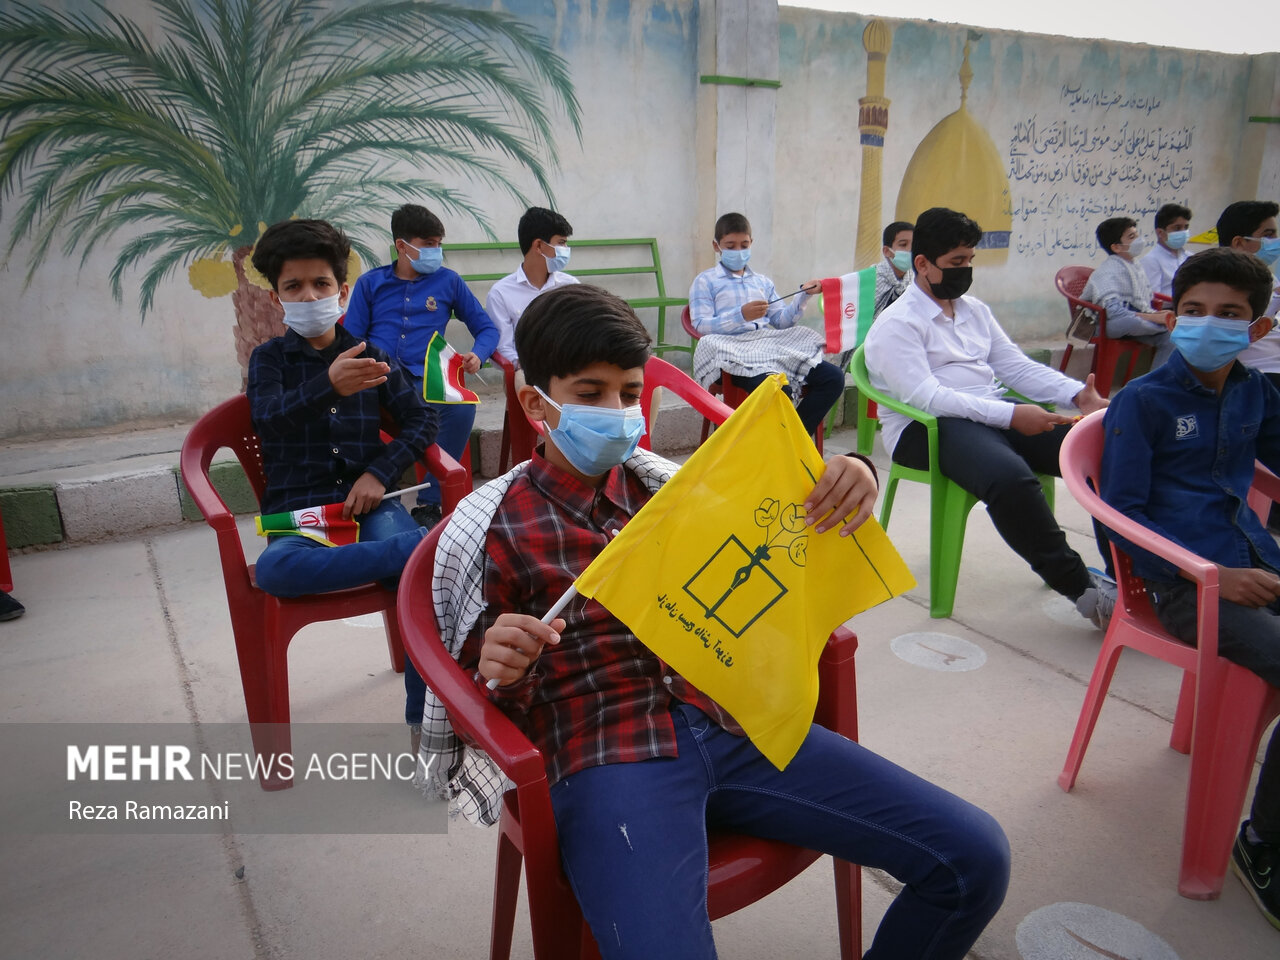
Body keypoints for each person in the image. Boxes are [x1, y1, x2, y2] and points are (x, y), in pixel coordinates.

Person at [446, 282, 1009, 960]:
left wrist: (852, 470)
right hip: (608, 754)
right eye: (590, 395)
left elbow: (783, 518)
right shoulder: (495, 526)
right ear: (536, 403)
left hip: (733, 718)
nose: (618, 413)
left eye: (629, 394)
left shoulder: (677, 491)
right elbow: (475, 702)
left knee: (974, 860)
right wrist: (500, 666)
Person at [1098, 247, 1280, 931]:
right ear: (1173, 316)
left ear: (1257, 330)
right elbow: (1122, 520)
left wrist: (1242, 569)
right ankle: (1260, 843)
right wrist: (1210, 578)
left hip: (1254, 561)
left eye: (1230, 316)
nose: (1209, 325)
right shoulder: (1145, 401)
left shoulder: (1255, 392)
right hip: (1184, 586)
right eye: (1195, 311)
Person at [863, 207, 1113, 625]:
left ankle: (1136, 571)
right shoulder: (897, 325)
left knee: (1104, 451)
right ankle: (1083, 590)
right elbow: (928, 397)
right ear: (922, 264)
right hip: (926, 430)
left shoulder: (973, 310)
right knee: (1010, 479)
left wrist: (1077, 395)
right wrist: (1010, 416)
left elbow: (1014, 367)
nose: (966, 271)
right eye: (956, 263)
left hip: (987, 416)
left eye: (969, 261)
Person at [246, 218, 436, 738]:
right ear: (277, 297)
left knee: (422, 589)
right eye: (294, 286)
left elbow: (423, 419)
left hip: (369, 505)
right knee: (275, 573)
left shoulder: (372, 356)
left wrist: (379, 472)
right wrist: (328, 385)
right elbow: (268, 419)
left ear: (342, 290)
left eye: (321, 284)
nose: (309, 295)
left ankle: (426, 729)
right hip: (300, 511)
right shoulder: (269, 361)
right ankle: (421, 546)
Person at [344, 203, 498, 527]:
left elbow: (487, 328)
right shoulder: (370, 284)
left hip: (427, 379)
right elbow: (351, 340)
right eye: (428, 244)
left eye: (439, 244)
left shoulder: (449, 282)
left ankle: (430, 504)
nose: (436, 252)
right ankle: (386, 501)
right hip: (378, 378)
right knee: (360, 414)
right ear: (402, 246)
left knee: (461, 409)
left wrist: (478, 355)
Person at [688, 212, 844, 436]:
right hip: (730, 352)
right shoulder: (705, 281)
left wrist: (803, 296)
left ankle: (791, 439)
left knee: (833, 378)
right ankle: (779, 445)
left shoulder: (762, 282)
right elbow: (701, 325)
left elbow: (782, 322)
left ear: (752, 243)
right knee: (779, 388)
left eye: (744, 245)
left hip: (766, 346)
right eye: (730, 246)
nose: (738, 251)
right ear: (716, 246)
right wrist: (740, 315)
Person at [486, 206, 579, 367]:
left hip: (569, 371)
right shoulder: (501, 293)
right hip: (525, 373)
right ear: (538, 246)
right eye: (561, 243)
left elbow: (583, 335)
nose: (566, 250)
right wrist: (529, 369)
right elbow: (503, 349)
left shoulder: (572, 287)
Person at [1081, 216, 1175, 368]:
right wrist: (1154, 318)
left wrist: (1155, 317)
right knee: (1133, 321)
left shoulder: (1134, 266)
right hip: (1101, 325)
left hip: (1135, 324)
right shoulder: (1108, 271)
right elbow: (1115, 313)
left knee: (1171, 337)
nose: (1139, 240)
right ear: (1116, 247)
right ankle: (1162, 324)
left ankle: (1154, 386)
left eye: (1137, 235)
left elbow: (1141, 305)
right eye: (1132, 237)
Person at [1221, 201, 1280, 379]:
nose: (1276, 241)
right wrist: (1276, 301)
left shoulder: (1266, 275)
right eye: (1268, 235)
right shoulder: (1218, 281)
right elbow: (1227, 335)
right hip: (1260, 374)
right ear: (1239, 242)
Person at [1140, 203, 1193, 299]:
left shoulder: (1190, 257)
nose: (1183, 232)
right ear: (1160, 232)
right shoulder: (1151, 260)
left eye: (1186, 227)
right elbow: (1153, 298)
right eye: (1177, 228)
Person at [876, 219, 915, 317]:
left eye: (914, 245)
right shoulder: (872, 279)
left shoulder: (916, 279)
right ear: (887, 251)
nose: (911, 250)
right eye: (903, 245)